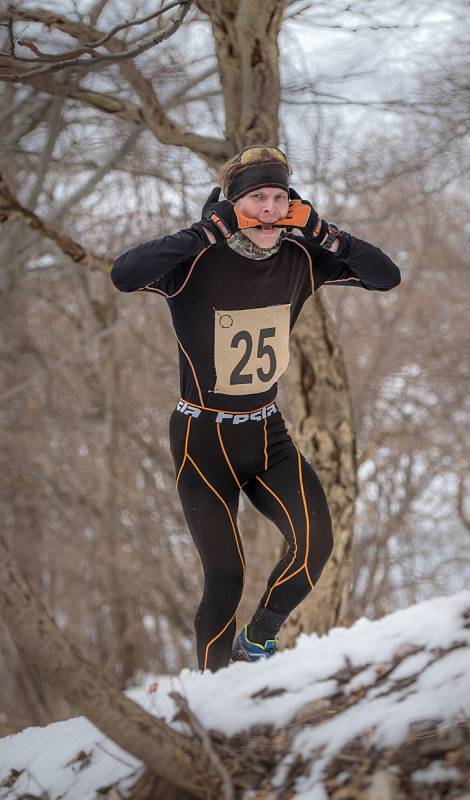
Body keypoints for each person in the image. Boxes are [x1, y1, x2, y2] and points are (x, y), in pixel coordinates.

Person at [111, 145, 400, 672]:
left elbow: (386, 276)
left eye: (278, 198)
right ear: (232, 205)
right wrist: (208, 229)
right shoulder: (195, 259)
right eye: (255, 199)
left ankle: (258, 641)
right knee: (226, 576)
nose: (269, 209)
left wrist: (327, 233)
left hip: (267, 436)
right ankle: (212, 688)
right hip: (202, 440)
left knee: (314, 543)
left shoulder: (302, 256)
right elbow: (124, 274)